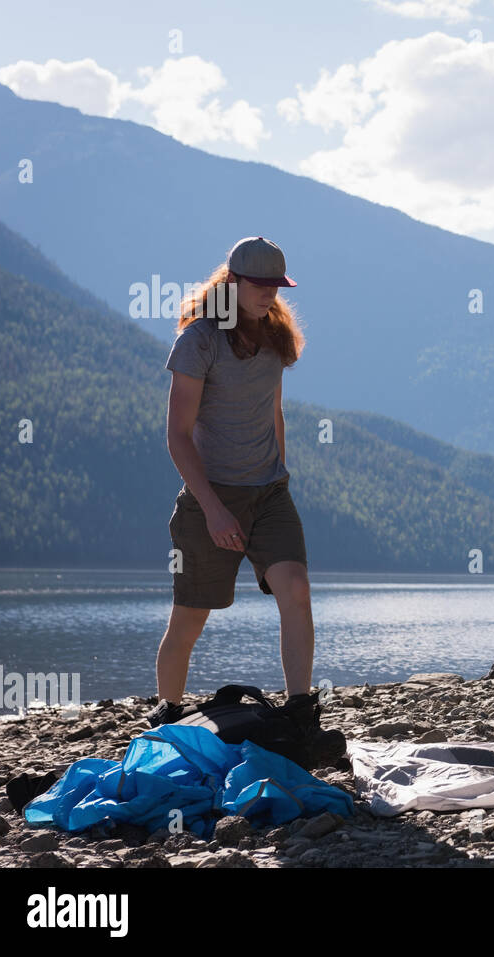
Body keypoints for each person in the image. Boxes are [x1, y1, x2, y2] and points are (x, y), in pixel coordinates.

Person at [150, 236, 316, 728]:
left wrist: (278, 475)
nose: (270, 294)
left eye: (277, 285)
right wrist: (215, 509)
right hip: (210, 498)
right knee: (190, 618)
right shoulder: (199, 340)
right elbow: (177, 435)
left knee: (297, 589)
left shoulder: (275, 336)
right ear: (234, 282)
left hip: (269, 493)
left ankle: (301, 709)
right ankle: (169, 714)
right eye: (261, 285)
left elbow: (274, 411)